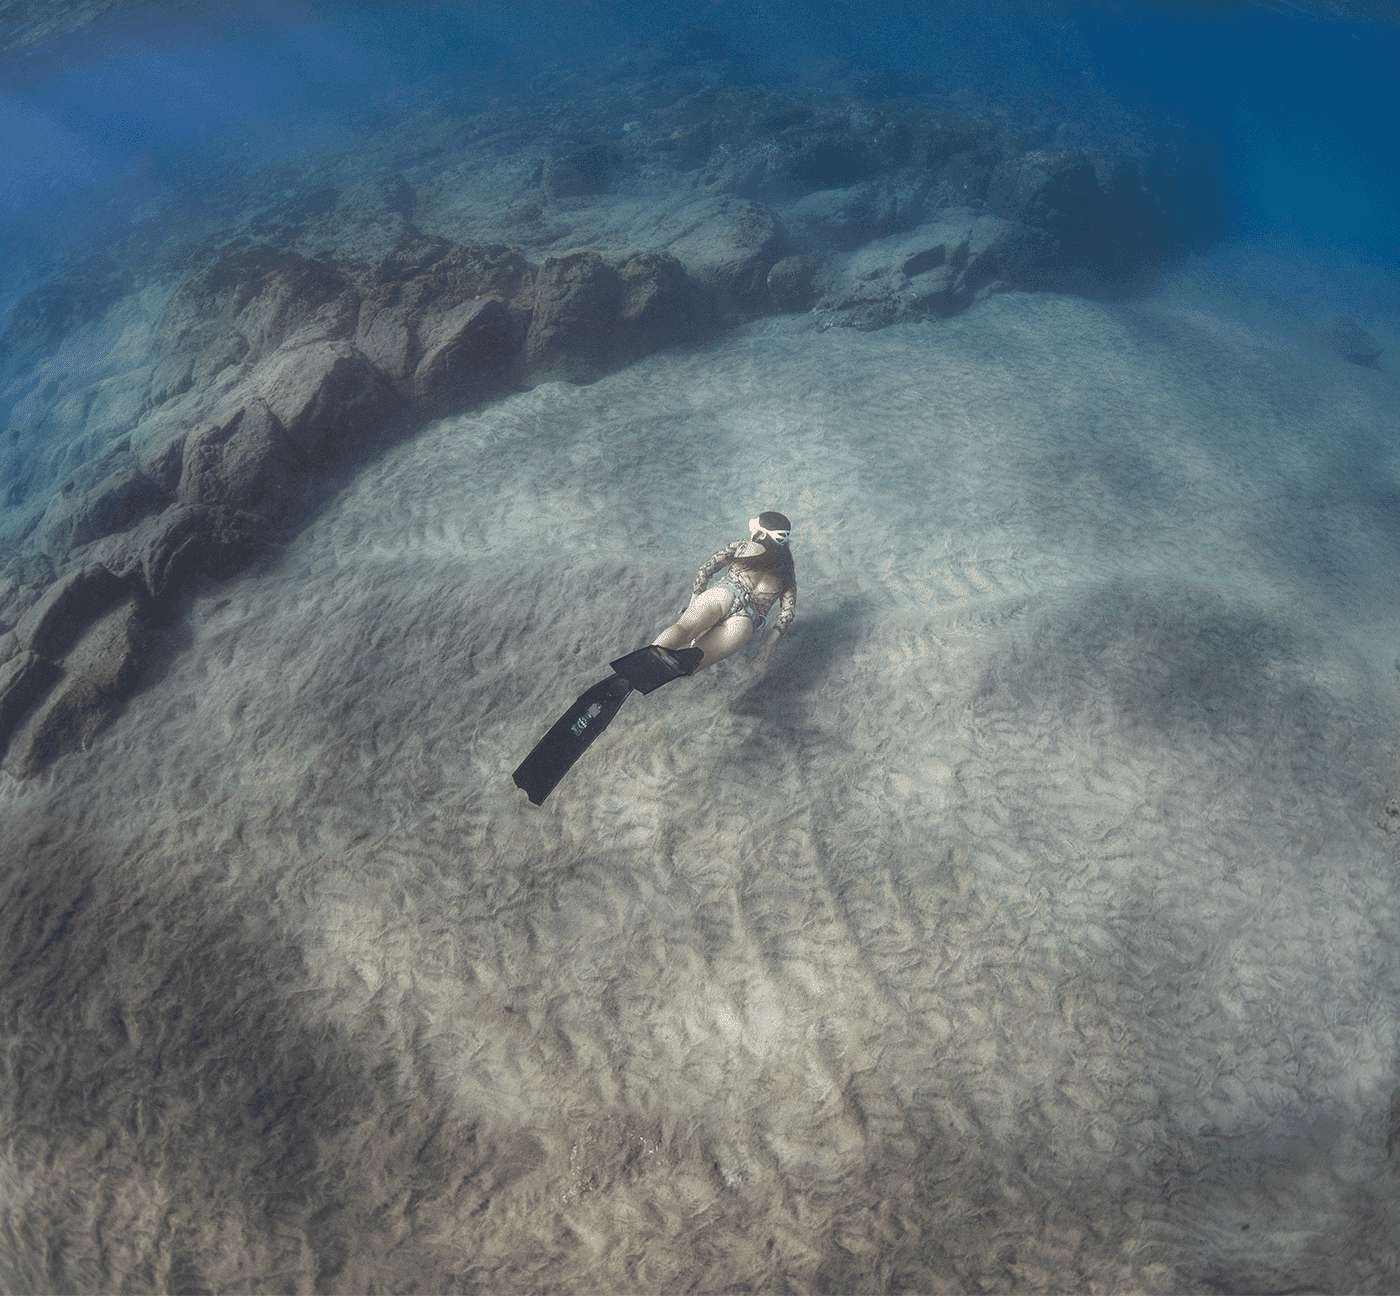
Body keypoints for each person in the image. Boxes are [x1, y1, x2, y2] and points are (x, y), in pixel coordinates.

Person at [652, 511, 797, 671]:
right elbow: (787, 614)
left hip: (723, 594)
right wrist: (768, 646)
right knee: (691, 662)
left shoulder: (743, 546)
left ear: (762, 535)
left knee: (683, 630)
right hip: (745, 621)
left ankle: (646, 660)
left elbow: (706, 570)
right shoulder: (787, 572)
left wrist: (694, 602)